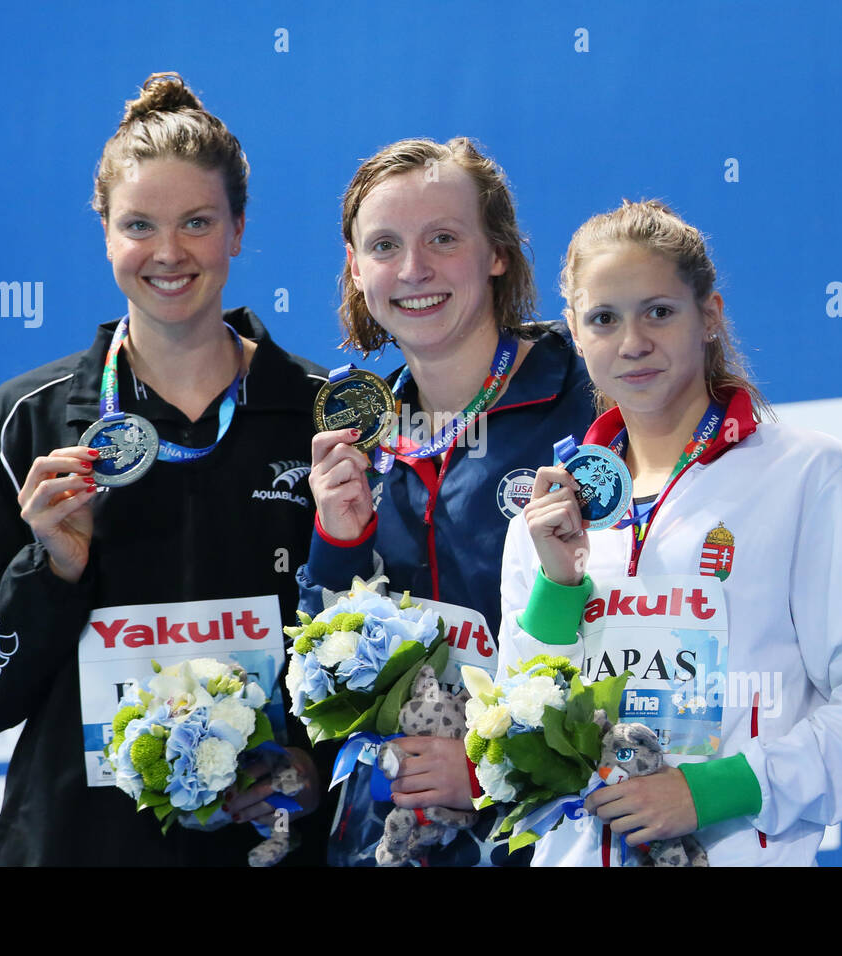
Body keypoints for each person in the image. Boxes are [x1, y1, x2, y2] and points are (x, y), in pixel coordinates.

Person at [0, 73, 328, 865]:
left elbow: (379, 649)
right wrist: (51, 569)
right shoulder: (28, 421)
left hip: (276, 848)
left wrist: (316, 765)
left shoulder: (319, 413)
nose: (169, 253)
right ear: (106, 233)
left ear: (238, 229)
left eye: (197, 222)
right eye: (139, 225)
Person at [498, 199, 842, 866]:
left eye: (658, 312)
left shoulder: (807, 474)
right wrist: (558, 584)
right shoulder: (551, 512)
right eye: (604, 319)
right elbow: (517, 738)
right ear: (575, 331)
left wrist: (707, 791)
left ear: (710, 315)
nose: (632, 342)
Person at [298, 137, 596, 865]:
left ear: (497, 250)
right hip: (391, 838)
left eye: (442, 239)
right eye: (384, 245)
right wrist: (336, 542)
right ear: (355, 267)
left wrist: (498, 769)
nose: (412, 270)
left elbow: (646, 635)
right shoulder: (359, 436)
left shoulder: (592, 398)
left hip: (564, 834)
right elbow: (331, 667)